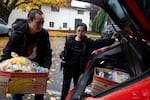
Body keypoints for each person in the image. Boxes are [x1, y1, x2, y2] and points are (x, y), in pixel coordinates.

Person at [0, 9, 52, 100]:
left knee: (39, 92)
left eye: (43, 22)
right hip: (21, 68)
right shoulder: (18, 34)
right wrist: (2, 66)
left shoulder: (44, 34)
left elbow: (47, 52)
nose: (41, 25)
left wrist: (46, 67)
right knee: (18, 93)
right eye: (38, 22)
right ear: (29, 21)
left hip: (38, 67)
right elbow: (8, 51)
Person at [60, 23, 117, 100]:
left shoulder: (87, 42)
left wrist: (111, 40)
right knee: (65, 89)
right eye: (79, 31)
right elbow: (64, 51)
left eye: (82, 31)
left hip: (78, 71)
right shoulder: (69, 40)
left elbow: (99, 42)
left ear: (85, 32)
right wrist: (62, 56)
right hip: (68, 69)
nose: (80, 33)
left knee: (77, 90)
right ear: (76, 31)